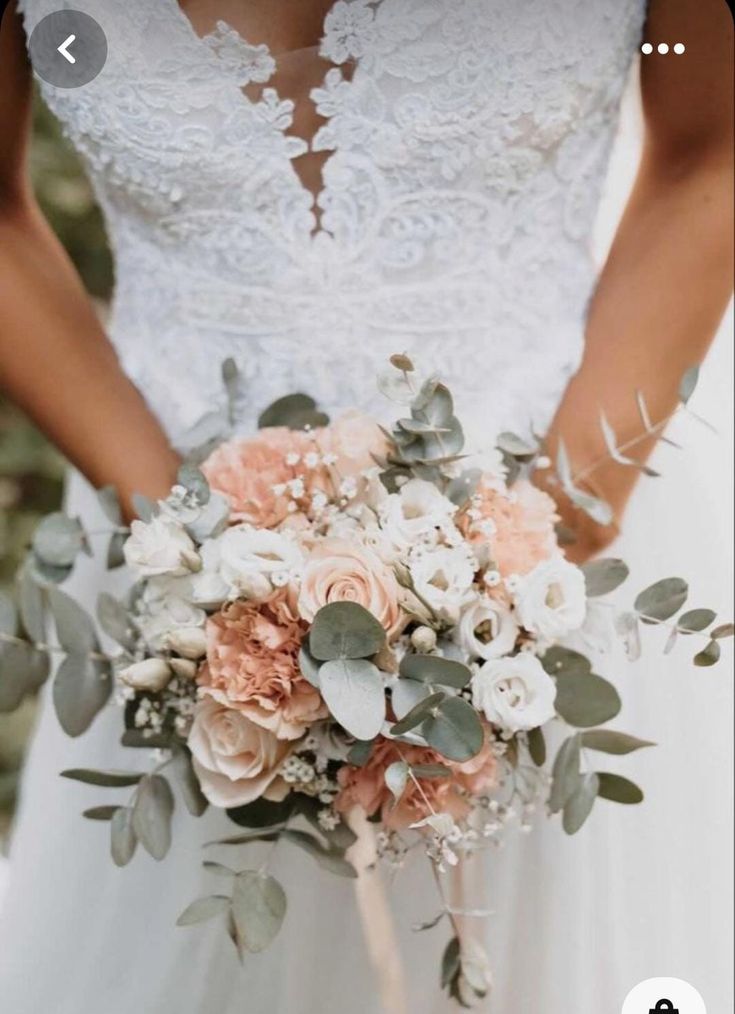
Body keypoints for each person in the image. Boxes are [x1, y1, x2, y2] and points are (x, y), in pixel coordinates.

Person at [0, 1, 732, 1011]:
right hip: (171, 585)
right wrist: (197, 564)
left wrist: (533, 558)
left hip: (569, 547)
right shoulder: (186, 572)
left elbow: (709, 155)